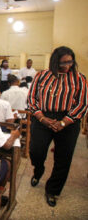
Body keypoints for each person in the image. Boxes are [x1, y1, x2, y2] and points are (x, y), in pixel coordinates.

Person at [27, 46, 88, 207]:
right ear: (55, 62)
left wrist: (63, 122)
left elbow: (82, 104)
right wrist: (42, 118)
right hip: (42, 117)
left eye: (70, 61)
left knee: (63, 158)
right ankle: (38, 170)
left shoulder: (80, 79)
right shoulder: (42, 76)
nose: (67, 65)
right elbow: (32, 99)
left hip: (68, 121)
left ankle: (52, 190)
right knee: (36, 150)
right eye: (63, 62)